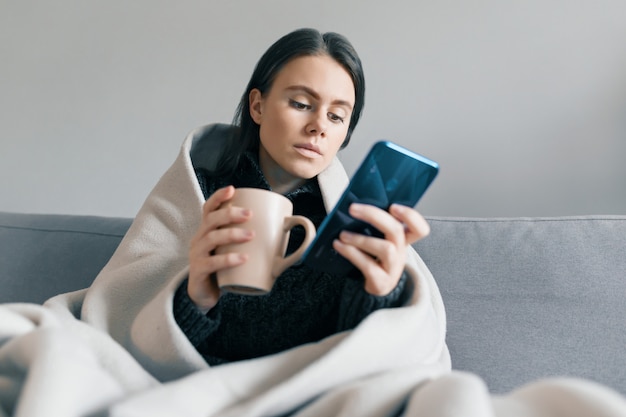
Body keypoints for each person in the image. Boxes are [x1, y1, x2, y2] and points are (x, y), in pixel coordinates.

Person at [172, 28, 432, 366]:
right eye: (301, 103)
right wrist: (195, 302)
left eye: (337, 116)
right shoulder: (198, 196)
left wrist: (379, 295)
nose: (319, 126)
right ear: (257, 106)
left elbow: (366, 362)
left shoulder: (353, 226)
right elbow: (131, 330)